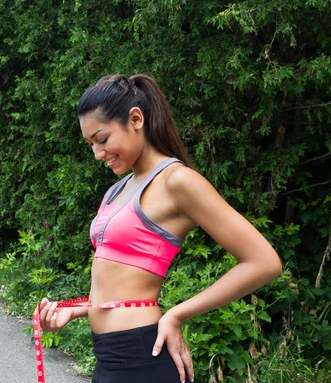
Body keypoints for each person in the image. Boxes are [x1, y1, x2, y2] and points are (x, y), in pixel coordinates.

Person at [37, 74, 283, 383]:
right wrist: (76, 309)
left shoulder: (177, 182)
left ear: (136, 119)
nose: (97, 153)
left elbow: (264, 262)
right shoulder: (119, 188)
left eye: (102, 139)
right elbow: (123, 285)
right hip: (108, 357)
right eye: (90, 144)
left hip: (142, 357)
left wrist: (177, 314)